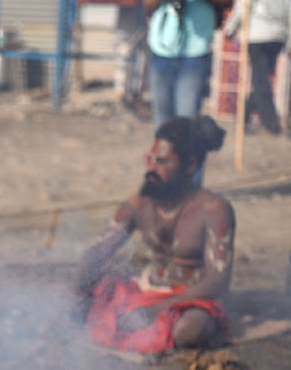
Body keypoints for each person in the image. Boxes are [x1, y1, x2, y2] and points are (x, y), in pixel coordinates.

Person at [75, 116, 236, 353]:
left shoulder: (214, 209)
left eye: (162, 162)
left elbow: (218, 281)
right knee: (79, 298)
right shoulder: (138, 204)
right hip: (145, 291)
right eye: (149, 160)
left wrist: (158, 308)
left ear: (190, 165)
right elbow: (100, 250)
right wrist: (81, 277)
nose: (151, 169)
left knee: (187, 330)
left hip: (191, 300)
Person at [144, 0, 235, 130]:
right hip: (161, 50)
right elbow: (147, 5)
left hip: (196, 51)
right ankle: (164, 152)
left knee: (187, 119)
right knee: (162, 121)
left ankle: (186, 152)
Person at [223, 0, 291, 134]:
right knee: (261, 80)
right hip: (278, 36)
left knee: (260, 80)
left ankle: (270, 123)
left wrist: (230, 27)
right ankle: (244, 117)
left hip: (257, 35)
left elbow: (244, 5)